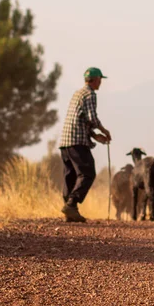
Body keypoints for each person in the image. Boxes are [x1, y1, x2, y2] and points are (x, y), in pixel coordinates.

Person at [58, 67, 111, 222]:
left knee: (71, 175)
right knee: (87, 173)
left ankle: (70, 212)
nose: (100, 82)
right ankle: (71, 203)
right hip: (77, 141)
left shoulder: (78, 94)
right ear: (95, 79)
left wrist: (95, 136)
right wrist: (104, 130)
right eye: (100, 79)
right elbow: (91, 118)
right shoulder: (90, 94)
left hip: (65, 142)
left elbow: (80, 120)